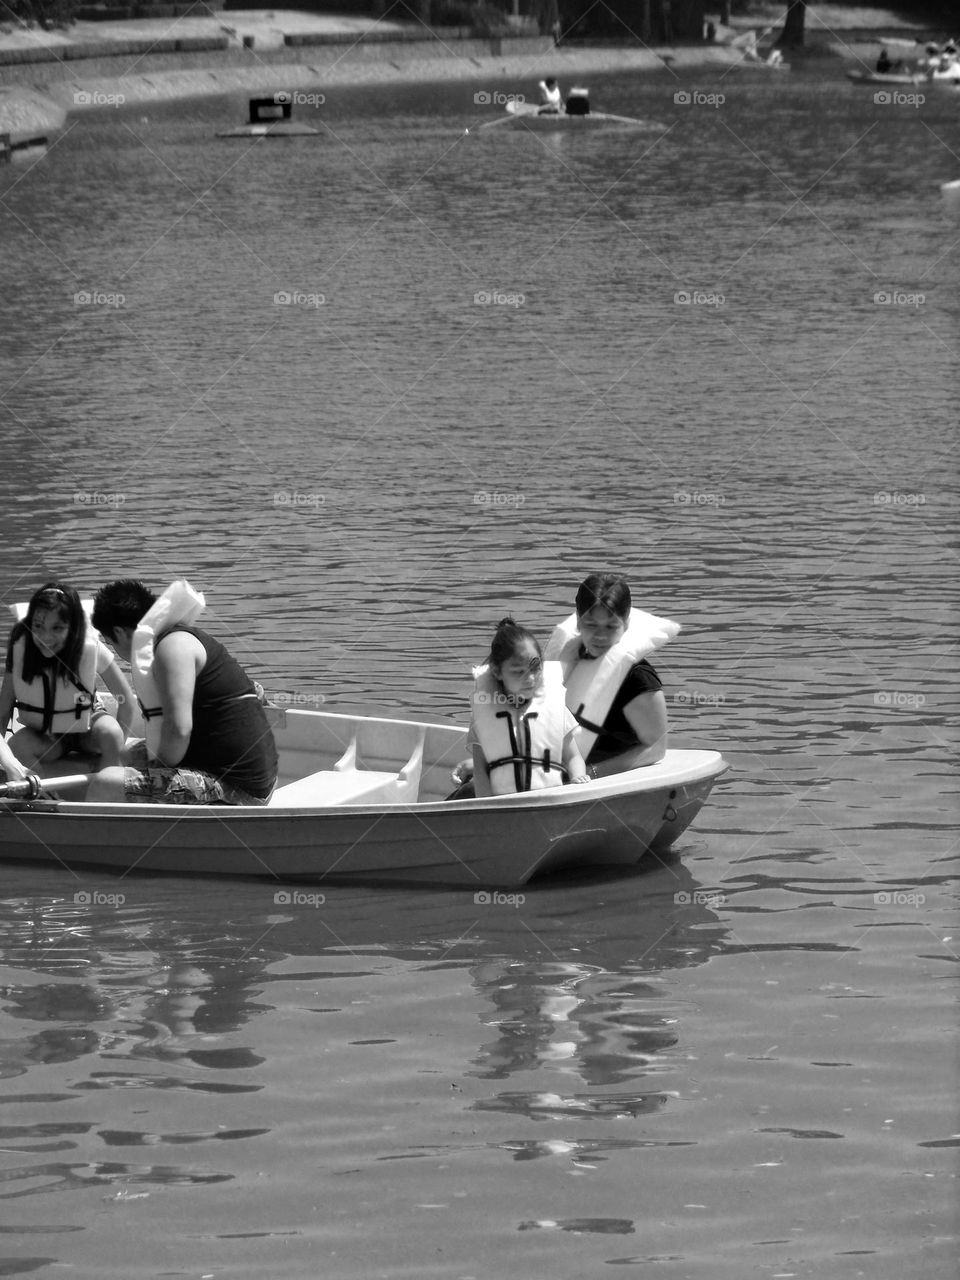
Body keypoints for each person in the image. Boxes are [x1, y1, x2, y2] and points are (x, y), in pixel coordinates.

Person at [85, 579, 277, 806]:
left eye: (111, 643)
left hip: (237, 789)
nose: (116, 653)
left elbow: (179, 731)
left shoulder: (172, 648)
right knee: (121, 757)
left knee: (106, 782)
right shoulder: (183, 637)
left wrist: (152, 770)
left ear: (121, 632)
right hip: (232, 772)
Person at [544, 574, 673, 779]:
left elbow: (655, 749)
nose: (600, 636)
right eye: (591, 625)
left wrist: (592, 773)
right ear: (578, 622)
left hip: (590, 781)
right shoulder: (568, 659)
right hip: (547, 768)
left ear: (626, 624)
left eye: (611, 626)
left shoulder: (638, 679)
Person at [0, 582, 133, 776]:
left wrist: (115, 748)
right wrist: (7, 761)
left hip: (89, 727)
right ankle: (42, 793)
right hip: (46, 736)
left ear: (72, 628)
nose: (46, 637)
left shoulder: (89, 647)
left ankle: (107, 784)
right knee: (17, 745)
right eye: (38, 626)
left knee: (111, 733)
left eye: (57, 628)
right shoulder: (22, 652)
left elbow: (127, 701)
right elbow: (2, 714)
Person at [468, 618, 588, 798]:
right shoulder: (482, 716)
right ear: (497, 672)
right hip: (504, 809)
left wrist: (578, 779)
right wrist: (485, 808)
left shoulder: (555, 708)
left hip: (550, 803)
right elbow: (480, 771)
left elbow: (573, 757)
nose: (530, 679)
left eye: (535, 669)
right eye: (518, 672)